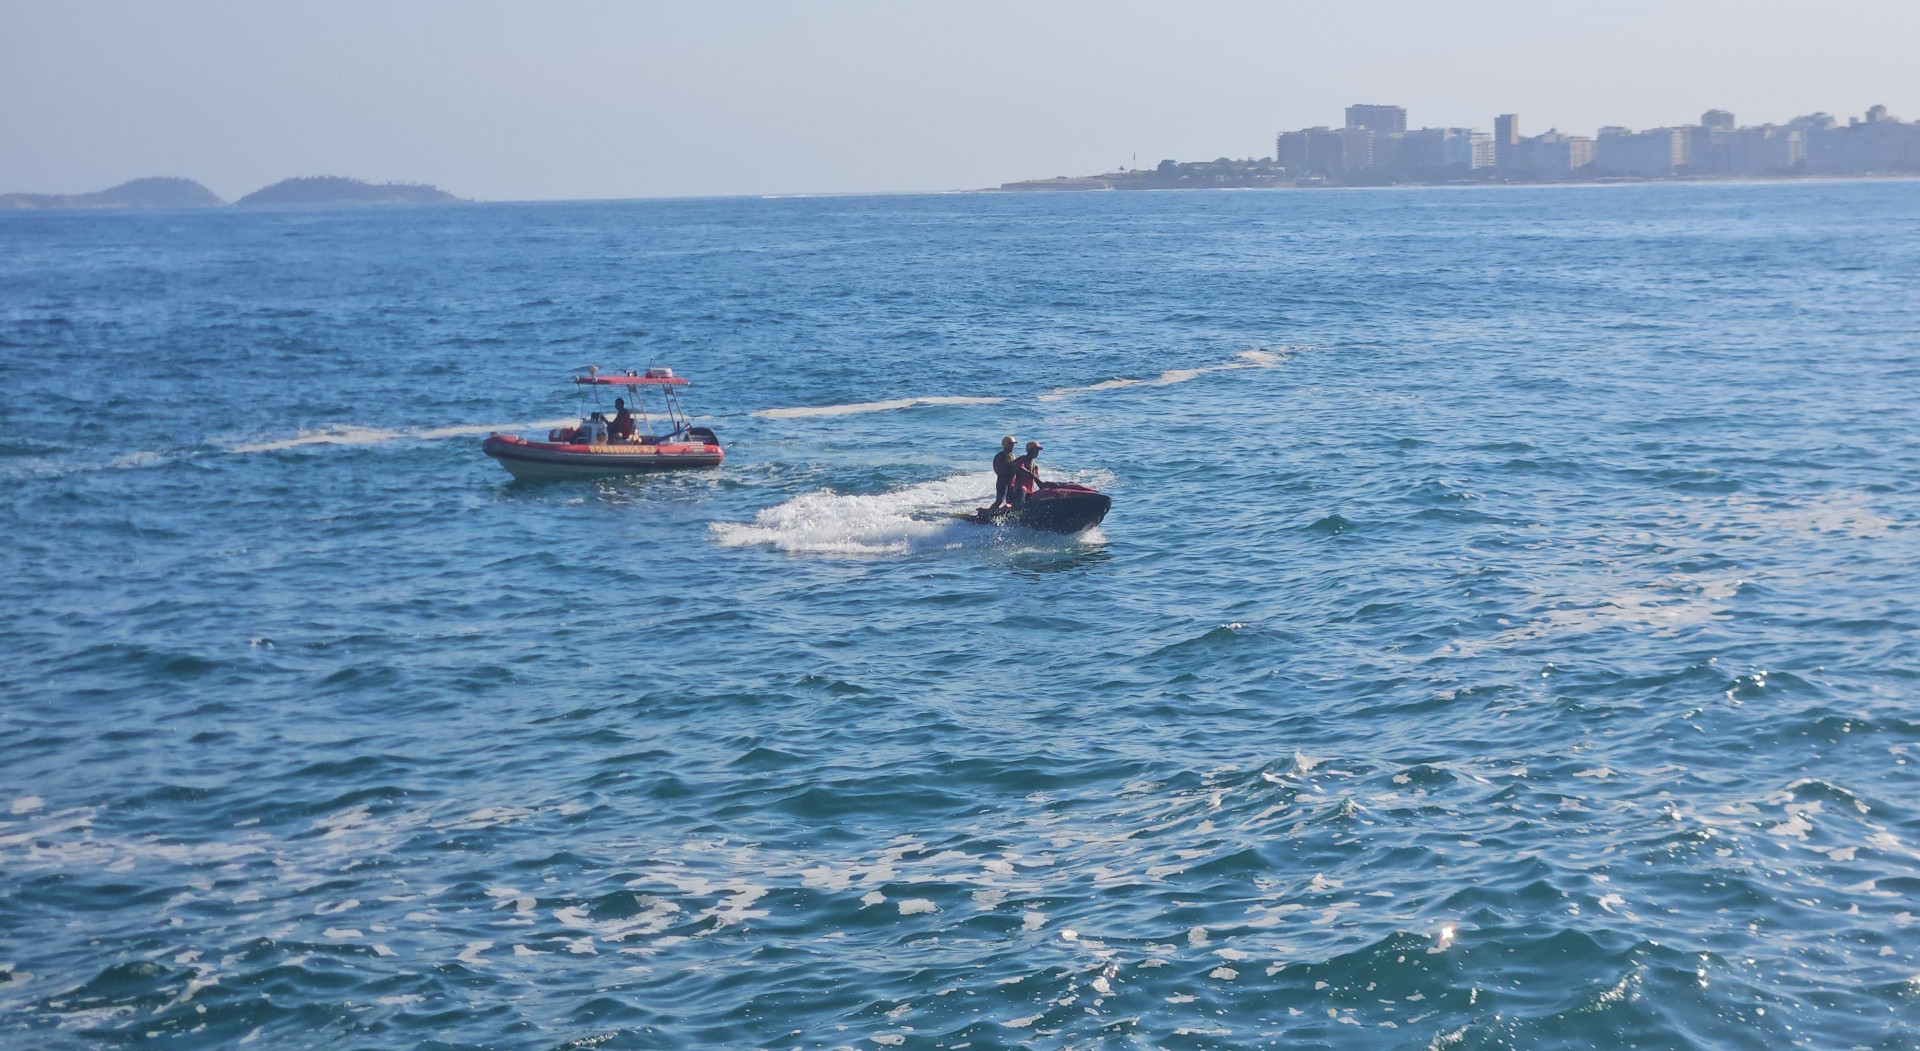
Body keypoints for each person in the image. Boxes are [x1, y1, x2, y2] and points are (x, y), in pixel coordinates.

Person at [1008, 440, 1042, 507]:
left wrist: (1044, 486)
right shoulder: (1022, 459)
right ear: (1030, 450)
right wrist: (1032, 475)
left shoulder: (1035, 465)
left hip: (1030, 490)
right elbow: (1020, 467)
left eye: (1038, 451)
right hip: (1020, 487)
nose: (1037, 453)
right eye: (1036, 450)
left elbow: (1037, 479)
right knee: (1020, 504)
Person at [988, 435, 1017, 510]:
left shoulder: (1012, 456)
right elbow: (997, 469)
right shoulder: (1000, 456)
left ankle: (1007, 515)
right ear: (1006, 445)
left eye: (1013, 445)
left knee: (1010, 501)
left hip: (1012, 482)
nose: (1013, 447)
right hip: (1002, 482)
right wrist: (1008, 470)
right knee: (999, 500)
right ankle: (988, 513)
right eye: (1011, 444)